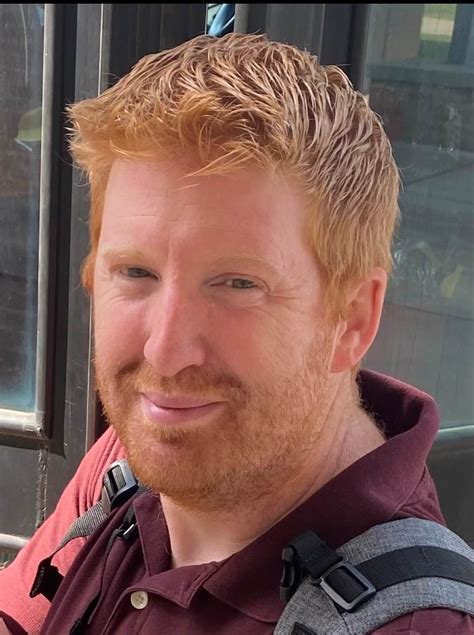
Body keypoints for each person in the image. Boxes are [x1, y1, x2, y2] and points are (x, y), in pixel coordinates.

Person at [0, 33, 472, 634]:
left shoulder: (412, 626)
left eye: (238, 284)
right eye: (136, 272)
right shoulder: (133, 459)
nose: (165, 353)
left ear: (352, 318)